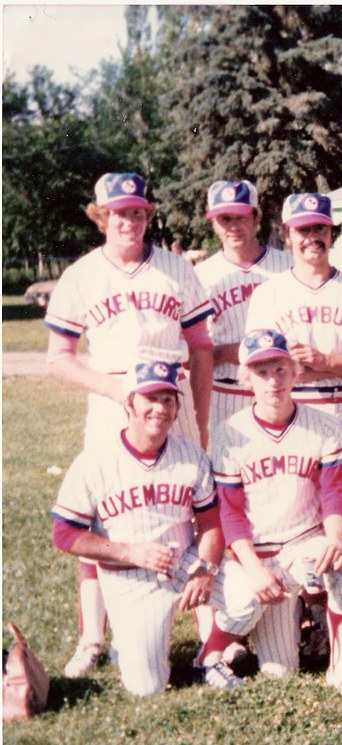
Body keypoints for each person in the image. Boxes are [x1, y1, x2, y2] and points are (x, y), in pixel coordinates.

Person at [44, 172, 215, 679]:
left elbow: (201, 347)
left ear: (148, 215)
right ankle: (92, 637)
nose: (130, 220)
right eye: (120, 212)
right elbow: (58, 358)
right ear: (103, 216)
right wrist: (113, 389)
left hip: (170, 395)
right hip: (112, 393)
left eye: (139, 211)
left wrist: (200, 417)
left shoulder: (176, 269)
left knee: (186, 508)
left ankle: (206, 628)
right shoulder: (81, 275)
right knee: (99, 516)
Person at [49, 360, 260, 696]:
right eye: (150, 398)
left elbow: (209, 521)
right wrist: (128, 550)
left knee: (248, 596)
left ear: (177, 408)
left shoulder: (190, 456)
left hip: (185, 561)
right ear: (128, 403)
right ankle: (129, 640)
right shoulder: (95, 461)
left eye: (168, 399)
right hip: (128, 574)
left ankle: (208, 657)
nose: (160, 408)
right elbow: (64, 534)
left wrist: (205, 568)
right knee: (147, 688)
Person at [212, 329, 342, 699]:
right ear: (246, 379)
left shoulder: (324, 425)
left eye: (280, 369)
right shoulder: (229, 433)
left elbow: (333, 495)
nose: (273, 381)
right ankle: (214, 647)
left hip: (305, 541)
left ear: (295, 371)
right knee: (279, 671)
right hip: (260, 553)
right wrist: (252, 568)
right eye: (261, 372)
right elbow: (230, 515)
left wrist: (334, 539)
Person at [245, 192, 342, 420]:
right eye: (303, 229)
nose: (312, 237)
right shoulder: (267, 294)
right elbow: (260, 371)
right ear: (288, 235)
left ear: (331, 233)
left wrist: (324, 361)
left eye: (320, 228)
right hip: (292, 412)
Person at [194, 180, 292, 431]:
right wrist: (229, 352)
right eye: (225, 219)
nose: (234, 227)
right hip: (227, 390)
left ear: (256, 219)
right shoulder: (201, 276)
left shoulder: (286, 266)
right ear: (214, 224)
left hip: (280, 387)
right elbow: (194, 351)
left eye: (242, 217)